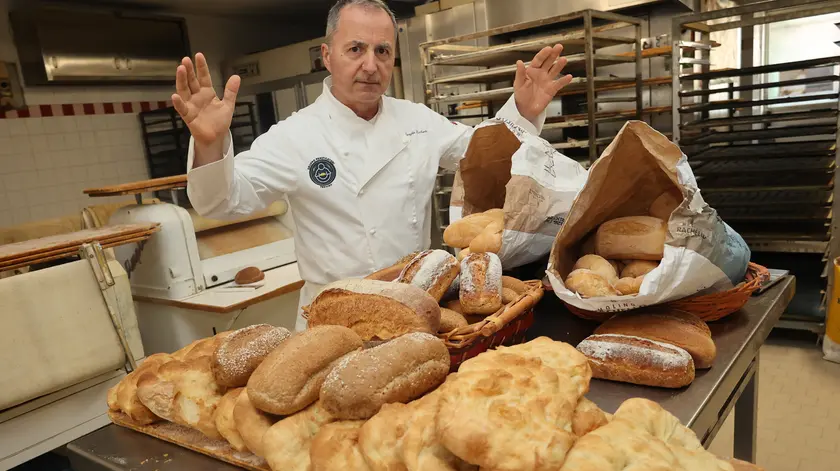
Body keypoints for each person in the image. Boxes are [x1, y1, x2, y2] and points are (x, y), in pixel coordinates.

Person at [179, 0, 573, 331]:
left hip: (415, 308)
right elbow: (223, 202)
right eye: (356, 49)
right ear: (327, 56)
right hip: (332, 320)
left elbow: (488, 154)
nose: (370, 65)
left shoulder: (418, 121)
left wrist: (522, 110)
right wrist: (209, 144)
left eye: (382, 51)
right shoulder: (293, 136)